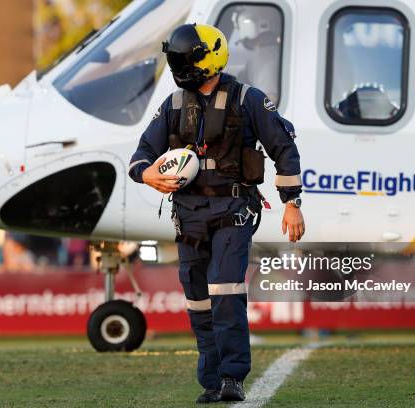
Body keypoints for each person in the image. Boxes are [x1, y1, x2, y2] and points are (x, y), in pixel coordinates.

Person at [129, 24, 304, 404]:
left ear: (209, 60)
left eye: (184, 58)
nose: (178, 66)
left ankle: (232, 376)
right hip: (188, 215)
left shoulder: (249, 100)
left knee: (225, 291)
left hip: (233, 212)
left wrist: (292, 202)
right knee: (197, 299)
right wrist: (148, 176)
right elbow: (141, 155)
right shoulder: (174, 105)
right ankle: (210, 380)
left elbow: (284, 149)